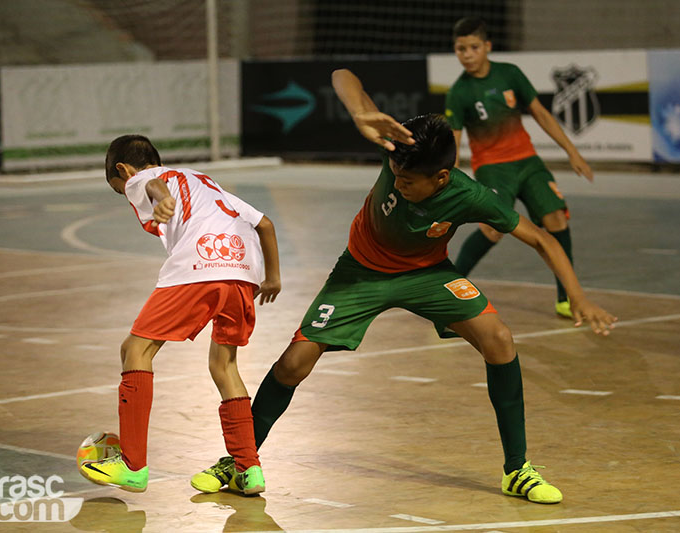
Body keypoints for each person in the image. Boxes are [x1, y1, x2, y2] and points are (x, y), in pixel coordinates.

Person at [190, 70, 616, 504]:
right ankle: (239, 461)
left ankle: (517, 470)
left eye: (409, 182)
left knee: (500, 340)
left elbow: (541, 237)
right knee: (294, 364)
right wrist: (361, 113)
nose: (398, 182)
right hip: (360, 271)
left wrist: (577, 296)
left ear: (442, 178)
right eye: (394, 174)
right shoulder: (398, 150)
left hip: (429, 275)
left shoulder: (471, 196)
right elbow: (343, 76)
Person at [78, 135, 281, 495]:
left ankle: (132, 466)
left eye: (118, 187)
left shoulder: (142, 179)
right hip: (244, 272)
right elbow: (265, 224)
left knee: (135, 350)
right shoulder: (203, 180)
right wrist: (273, 278)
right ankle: (249, 469)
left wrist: (164, 198)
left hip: (200, 264)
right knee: (225, 366)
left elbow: (150, 183)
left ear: (123, 170)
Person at [446, 17, 594, 319]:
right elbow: (454, 141)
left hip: (528, 162)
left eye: (474, 47)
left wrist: (572, 151)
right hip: (491, 168)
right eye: (461, 49)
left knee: (556, 218)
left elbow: (540, 113)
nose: (467, 54)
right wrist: (448, 176)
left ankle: (565, 299)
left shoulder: (510, 74)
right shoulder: (459, 92)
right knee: (492, 228)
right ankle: (445, 290)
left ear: (487, 47)